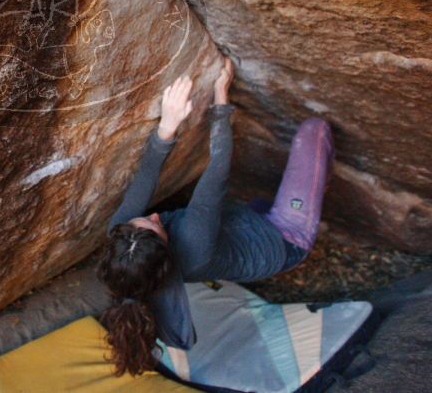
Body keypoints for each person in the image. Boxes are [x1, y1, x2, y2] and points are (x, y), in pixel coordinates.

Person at [97, 57, 334, 376]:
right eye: (156, 226)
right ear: (168, 253)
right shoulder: (194, 242)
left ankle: (297, 193)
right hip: (284, 238)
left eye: (143, 220)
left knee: (262, 200)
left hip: (244, 224)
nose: (154, 215)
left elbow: (144, 180)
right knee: (314, 131)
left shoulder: (125, 240)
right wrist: (221, 96)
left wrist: (167, 126)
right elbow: (218, 168)